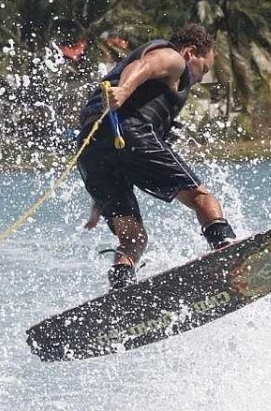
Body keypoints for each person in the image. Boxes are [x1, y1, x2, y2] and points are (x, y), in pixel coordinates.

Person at [76, 24, 237, 290]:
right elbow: (145, 65)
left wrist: (98, 199)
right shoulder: (174, 58)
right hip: (130, 132)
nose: (199, 79)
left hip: (90, 150)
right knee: (203, 199)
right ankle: (228, 252)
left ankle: (121, 285)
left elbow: (107, 147)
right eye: (204, 69)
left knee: (134, 237)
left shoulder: (160, 89)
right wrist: (123, 90)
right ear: (190, 53)